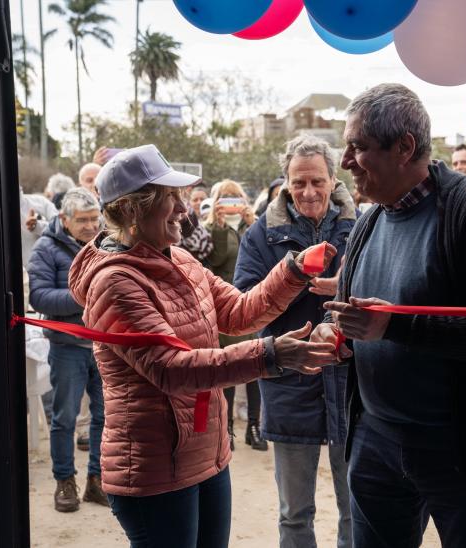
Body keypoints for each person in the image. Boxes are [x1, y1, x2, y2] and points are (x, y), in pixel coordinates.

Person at [68, 144, 339, 548]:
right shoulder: (115, 283)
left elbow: (239, 312)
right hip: (155, 468)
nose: (184, 209)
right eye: (169, 198)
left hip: (206, 452)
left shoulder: (181, 259)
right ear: (131, 212)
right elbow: (172, 368)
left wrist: (293, 269)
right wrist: (271, 355)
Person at [313, 83, 466, 547]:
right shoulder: (370, 220)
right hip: (376, 441)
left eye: (359, 147)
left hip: (461, 449)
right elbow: (357, 315)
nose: (346, 161)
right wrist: (333, 335)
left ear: (404, 148)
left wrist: (396, 325)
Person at [234, 134, 356, 548]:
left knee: (355, 507)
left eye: (317, 182)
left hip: (352, 382)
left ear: (333, 180)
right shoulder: (260, 237)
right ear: (285, 182)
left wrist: (343, 292)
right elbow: (245, 306)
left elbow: (389, 289)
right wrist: (294, 280)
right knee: (294, 512)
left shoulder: (361, 229)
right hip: (289, 379)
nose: (308, 192)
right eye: (299, 182)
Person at [27, 187, 107, 512]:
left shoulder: (106, 244)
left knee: (107, 415)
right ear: (64, 219)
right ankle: (65, 481)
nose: (91, 226)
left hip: (105, 345)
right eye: (83, 221)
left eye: (95, 219)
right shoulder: (46, 248)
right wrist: (82, 296)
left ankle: (97, 480)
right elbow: (40, 297)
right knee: (65, 418)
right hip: (67, 347)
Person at [203, 180, 264, 451]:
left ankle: (254, 426)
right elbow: (214, 262)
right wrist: (217, 227)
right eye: (225, 199)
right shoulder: (209, 229)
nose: (231, 204)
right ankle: (226, 427)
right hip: (223, 306)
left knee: (254, 365)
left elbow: (263, 259)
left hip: (251, 302)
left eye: (235, 198)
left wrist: (253, 225)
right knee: (226, 366)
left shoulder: (253, 225)